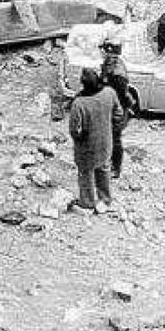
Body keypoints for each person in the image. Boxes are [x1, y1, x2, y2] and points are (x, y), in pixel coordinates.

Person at [69, 68, 124, 213]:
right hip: (106, 142)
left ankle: (87, 202)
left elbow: (74, 130)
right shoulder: (109, 93)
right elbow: (119, 114)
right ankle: (105, 199)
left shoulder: (79, 103)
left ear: (83, 83)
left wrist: (79, 139)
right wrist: (112, 130)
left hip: (86, 148)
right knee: (104, 169)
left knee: (85, 173)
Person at [99, 39, 132, 178]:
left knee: (115, 139)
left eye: (104, 50)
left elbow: (122, 97)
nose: (102, 53)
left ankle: (115, 168)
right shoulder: (110, 64)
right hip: (107, 107)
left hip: (115, 111)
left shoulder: (118, 74)